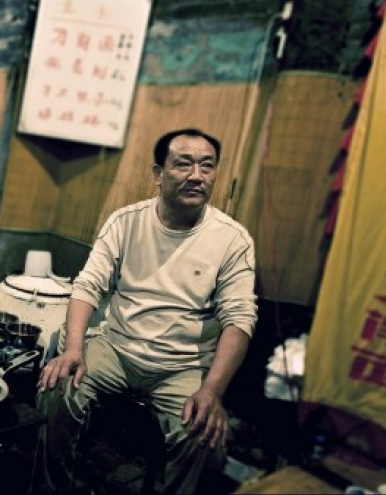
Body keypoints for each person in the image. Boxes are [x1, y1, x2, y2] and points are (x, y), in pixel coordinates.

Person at [31, 128, 258, 494]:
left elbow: (240, 319)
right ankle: (49, 488)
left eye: (207, 166)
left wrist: (212, 390)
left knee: (203, 435)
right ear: (158, 174)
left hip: (183, 366)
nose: (196, 175)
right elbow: (88, 286)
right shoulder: (126, 222)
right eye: (183, 164)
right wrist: (73, 350)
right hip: (116, 348)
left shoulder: (233, 240)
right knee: (57, 386)